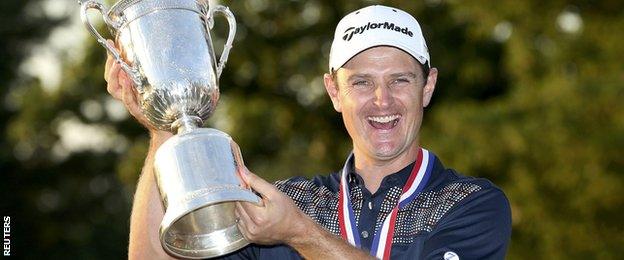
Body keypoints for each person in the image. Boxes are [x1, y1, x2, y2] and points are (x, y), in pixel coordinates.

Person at [105, 5, 511, 260]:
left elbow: (295, 227)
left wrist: (299, 234)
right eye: (362, 82)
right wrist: (163, 130)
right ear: (334, 91)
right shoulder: (287, 204)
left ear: (428, 87)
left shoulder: (471, 205)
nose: (382, 101)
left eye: (401, 81)